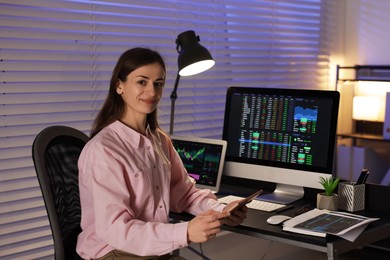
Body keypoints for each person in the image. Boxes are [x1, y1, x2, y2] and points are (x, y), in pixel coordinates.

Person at [76, 47, 247, 260]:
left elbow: (183, 192)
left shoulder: (158, 139)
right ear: (119, 85)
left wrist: (220, 209)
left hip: (148, 250)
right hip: (113, 252)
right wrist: (184, 232)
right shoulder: (104, 150)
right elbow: (116, 230)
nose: (152, 92)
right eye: (142, 82)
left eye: (158, 84)